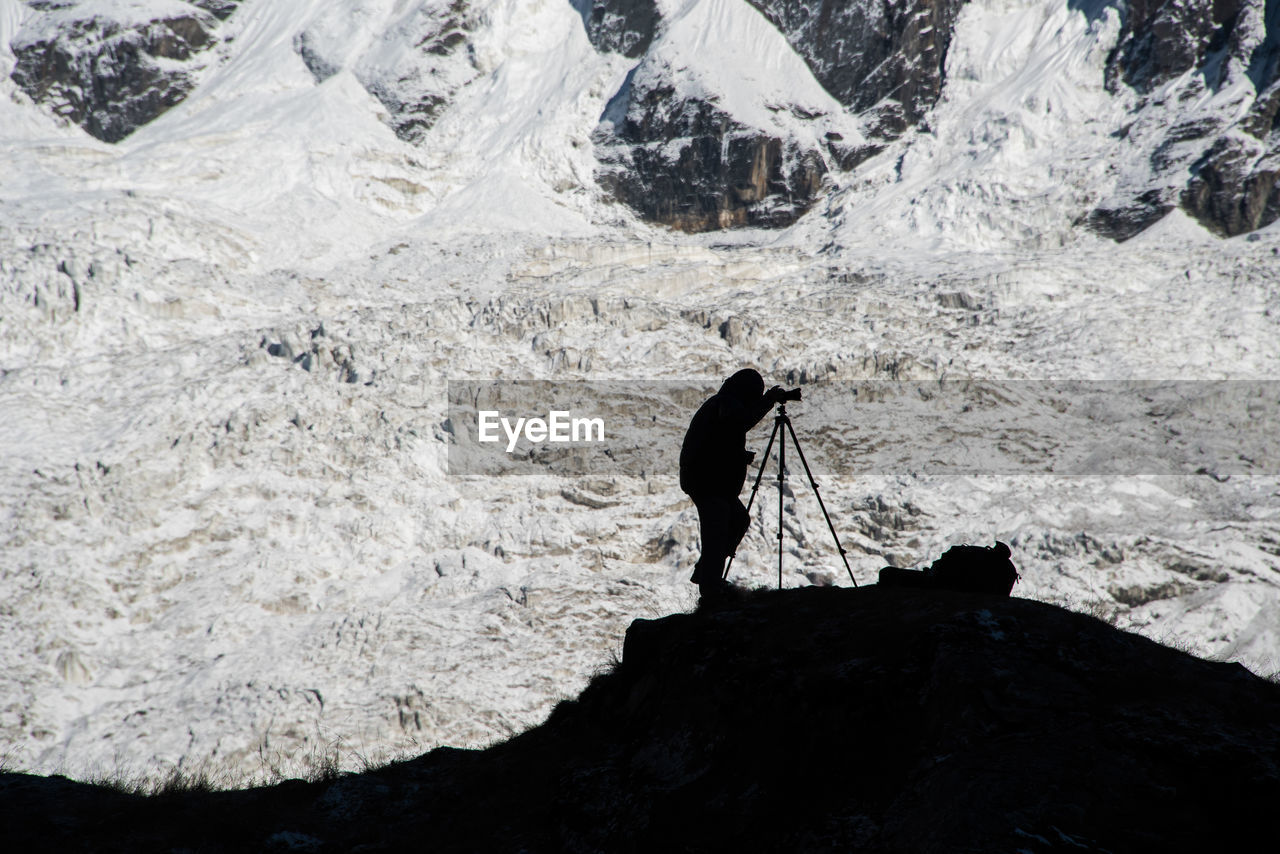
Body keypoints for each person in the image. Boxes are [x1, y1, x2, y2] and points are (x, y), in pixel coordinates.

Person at [680, 369, 788, 600]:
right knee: (716, 531)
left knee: (738, 521)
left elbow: (719, 443)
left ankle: (708, 573)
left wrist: (738, 456)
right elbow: (740, 422)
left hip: (711, 481)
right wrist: (768, 400)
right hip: (707, 483)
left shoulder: (722, 403)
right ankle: (710, 591)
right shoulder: (725, 403)